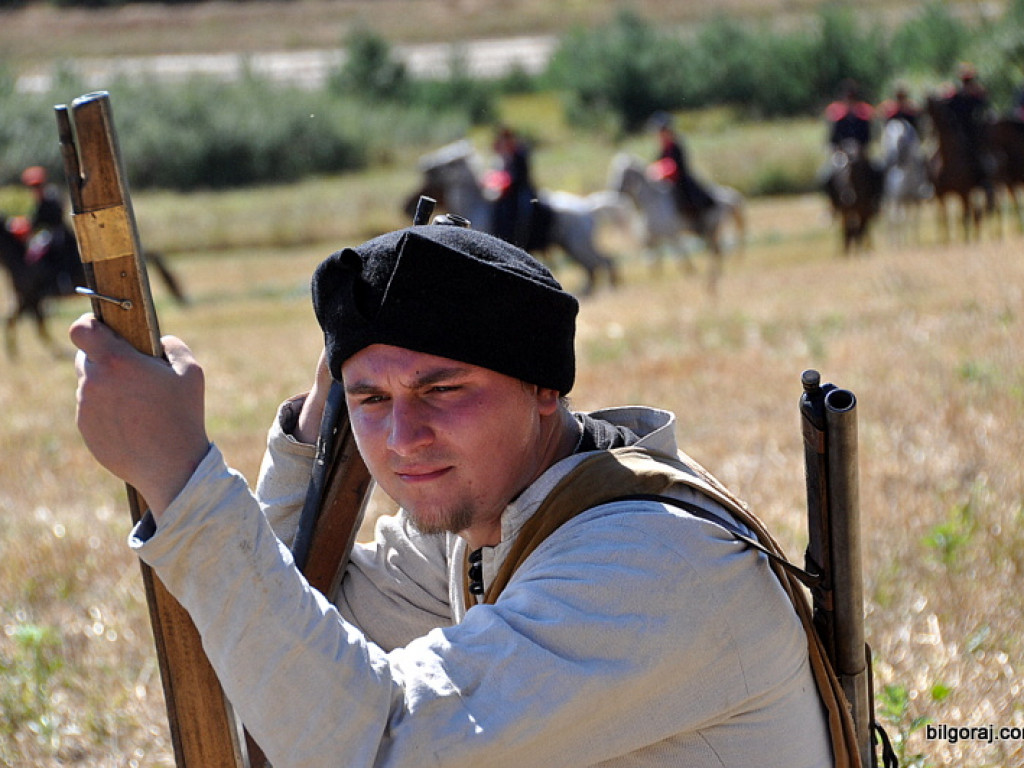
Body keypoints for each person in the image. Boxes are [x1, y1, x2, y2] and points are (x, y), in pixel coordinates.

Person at [70, 224, 834, 767]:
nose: (403, 437)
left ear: (542, 389)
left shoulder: (648, 562)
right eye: (370, 400)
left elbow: (372, 745)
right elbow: (304, 618)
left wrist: (181, 479)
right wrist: (311, 441)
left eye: (443, 389)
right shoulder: (492, 519)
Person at [648, 112, 716, 233]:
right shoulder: (663, 148)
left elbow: (677, 165)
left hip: (680, 179)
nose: (660, 134)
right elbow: (659, 163)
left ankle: (698, 222)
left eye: (662, 131)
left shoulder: (676, 146)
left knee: (689, 196)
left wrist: (666, 172)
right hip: (667, 182)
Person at [945, 62, 995, 208]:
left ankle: (986, 182)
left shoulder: (977, 95)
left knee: (983, 157)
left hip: (974, 133)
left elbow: (984, 109)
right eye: (965, 80)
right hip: (957, 132)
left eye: (968, 80)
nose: (966, 82)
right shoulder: (954, 95)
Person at [488, 126, 537, 248]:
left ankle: (519, 237)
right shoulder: (501, 154)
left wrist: (507, 182)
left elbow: (520, 177)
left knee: (523, 208)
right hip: (504, 191)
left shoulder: (519, 153)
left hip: (520, 190)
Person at [825, 79, 875, 152]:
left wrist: (863, 149)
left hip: (859, 150)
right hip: (841, 150)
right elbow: (833, 138)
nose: (850, 101)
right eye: (848, 97)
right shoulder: (839, 117)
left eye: (852, 97)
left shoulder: (862, 117)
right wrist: (838, 149)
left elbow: (867, 138)